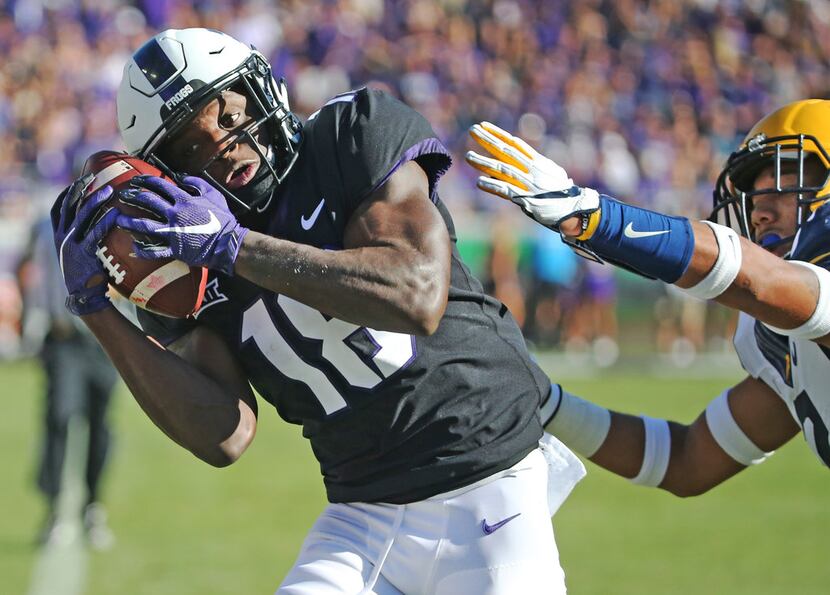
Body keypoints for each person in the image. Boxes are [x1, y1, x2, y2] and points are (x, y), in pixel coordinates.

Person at [50, 28, 585, 594]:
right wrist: (95, 311)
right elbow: (224, 435)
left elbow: (416, 294)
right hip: (363, 510)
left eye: (227, 116)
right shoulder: (183, 255)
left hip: (489, 475)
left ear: (263, 92)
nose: (222, 146)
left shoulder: (348, 134)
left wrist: (234, 247)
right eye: (189, 145)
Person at [465, 99, 830, 494]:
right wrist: (546, 401)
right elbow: (685, 459)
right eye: (756, 201)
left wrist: (591, 215)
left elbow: (765, 281)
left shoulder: (793, 296)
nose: (760, 215)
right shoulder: (783, 343)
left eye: (784, 189)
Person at [17, 215, 117, 550]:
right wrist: (34, 317)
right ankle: (54, 511)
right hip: (63, 337)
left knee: (100, 424)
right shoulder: (48, 224)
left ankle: (92, 506)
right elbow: (27, 267)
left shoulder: (118, 221)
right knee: (60, 417)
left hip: (105, 342)